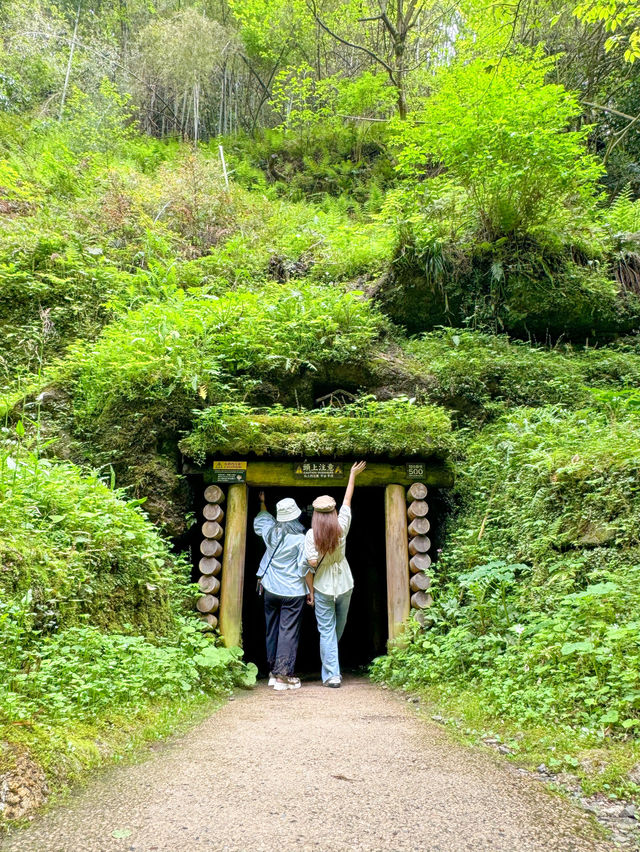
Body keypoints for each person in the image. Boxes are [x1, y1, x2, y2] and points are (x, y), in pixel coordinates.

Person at [304, 461, 366, 687]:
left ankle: (331, 673)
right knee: (336, 629)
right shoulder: (342, 526)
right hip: (344, 583)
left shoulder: (311, 535)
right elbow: (347, 500)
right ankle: (332, 671)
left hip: (322, 586)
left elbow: (310, 563)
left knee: (327, 631)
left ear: (316, 516)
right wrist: (352, 475)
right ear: (333, 512)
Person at [254, 491, 314, 691]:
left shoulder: (269, 531)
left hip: (270, 588)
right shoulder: (300, 539)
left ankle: (272, 672)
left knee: (272, 628)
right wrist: (310, 590)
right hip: (292, 590)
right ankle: (283, 676)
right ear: (296, 516)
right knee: (287, 631)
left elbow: (262, 519)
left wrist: (262, 502)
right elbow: (303, 566)